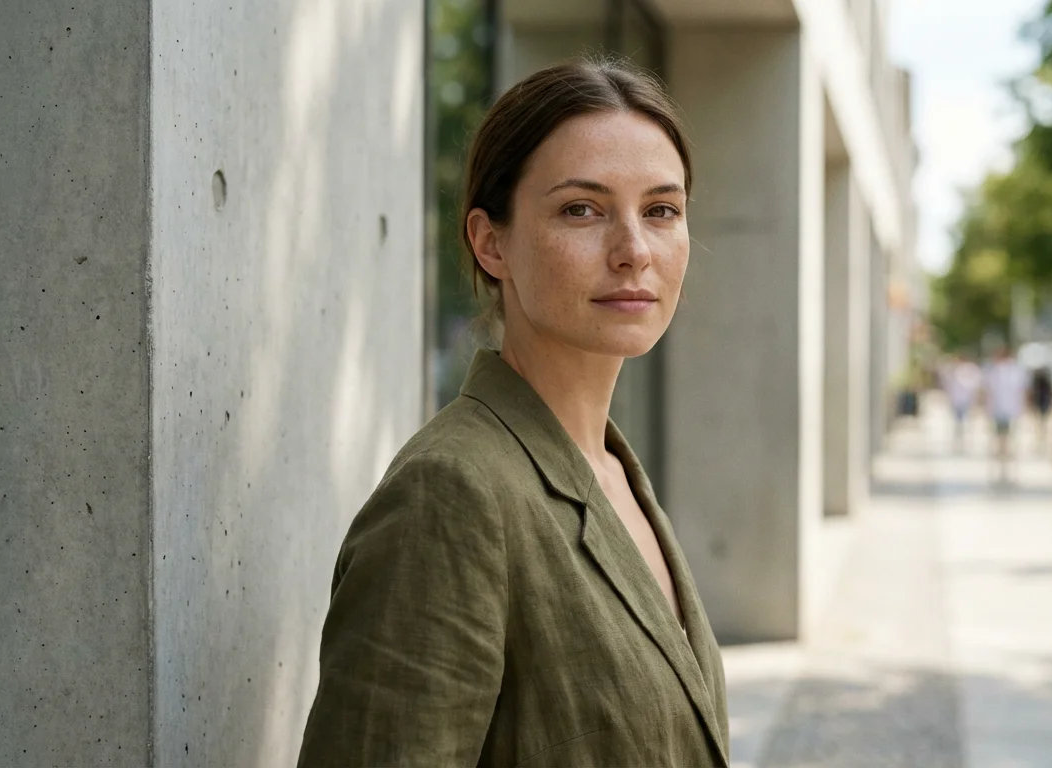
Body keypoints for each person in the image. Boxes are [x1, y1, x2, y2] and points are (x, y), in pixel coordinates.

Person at [297, 58, 729, 766]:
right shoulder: (452, 492)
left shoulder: (613, 470)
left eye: (661, 210)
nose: (633, 251)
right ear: (490, 242)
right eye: (581, 209)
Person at [984, 345, 1029, 483]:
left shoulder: (1014, 371)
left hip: (1010, 410)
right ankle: (1002, 467)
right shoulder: (994, 371)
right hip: (1001, 410)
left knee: (1008, 440)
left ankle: (1008, 467)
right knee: (1001, 439)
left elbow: (1022, 391)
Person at [941, 352, 981, 452]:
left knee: (966, 420)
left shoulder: (970, 370)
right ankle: (959, 440)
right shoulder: (952, 370)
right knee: (957, 421)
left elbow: (974, 385)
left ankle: (966, 440)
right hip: (956, 400)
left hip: (966, 399)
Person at [1031, 365, 1052, 447]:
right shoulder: (1038, 383)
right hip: (1041, 403)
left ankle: (1041, 438)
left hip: (1043, 403)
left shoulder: (1039, 382)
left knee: (1041, 422)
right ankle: (1041, 438)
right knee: (1041, 422)